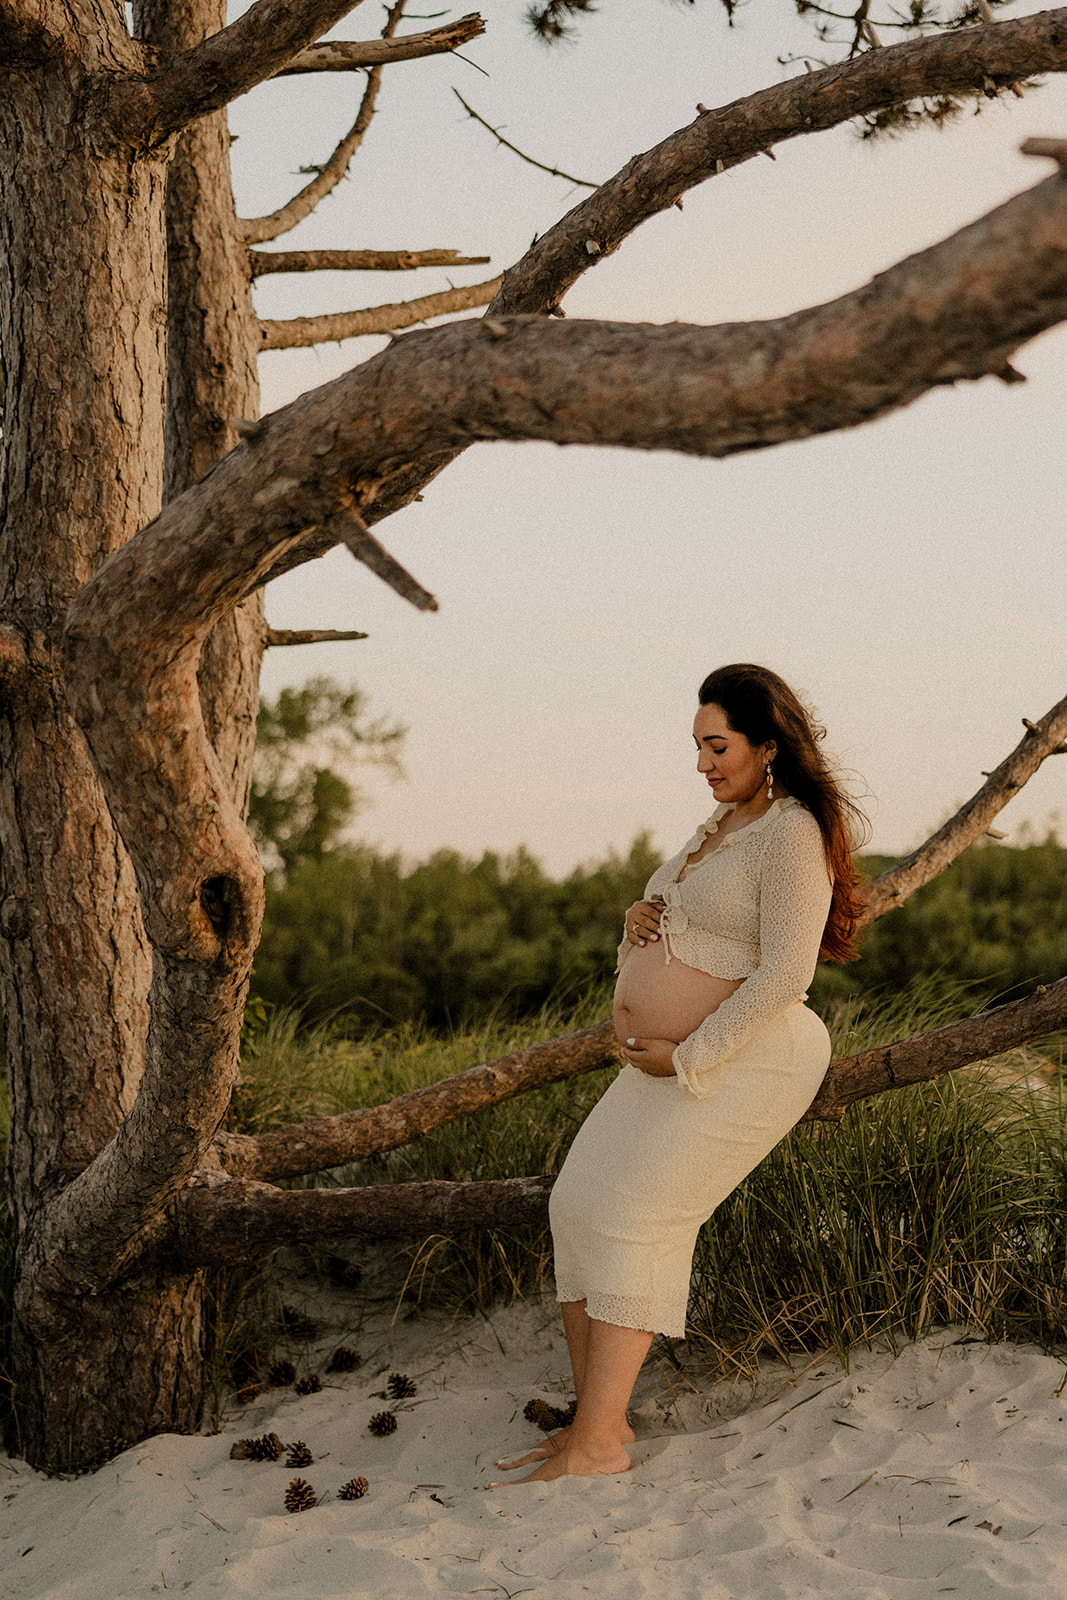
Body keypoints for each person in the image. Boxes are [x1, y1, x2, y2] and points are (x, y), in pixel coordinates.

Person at [491, 663, 866, 1485]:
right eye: (697, 747)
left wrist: (687, 1053)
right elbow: (672, 941)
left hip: (749, 1055)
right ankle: (600, 1421)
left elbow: (784, 976)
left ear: (767, 746)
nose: (702, 763)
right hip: (659, 1066)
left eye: (716, 745)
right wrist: (633, 927)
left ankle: (592, 1447)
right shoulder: (715, 830)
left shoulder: (792, 832)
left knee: (632, 1215)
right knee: (575, 1203)